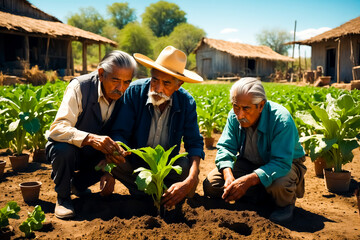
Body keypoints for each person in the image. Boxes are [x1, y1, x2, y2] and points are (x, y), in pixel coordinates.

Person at [110, 46, 205, 209]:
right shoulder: (135, 92)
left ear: (178, 84)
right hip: (136, 166)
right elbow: (119, 132)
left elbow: (194, 144)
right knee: (114, 160)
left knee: (187, 167)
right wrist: (118, 149)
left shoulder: (186, 103)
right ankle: (151, 194)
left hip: (165, 168)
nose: (157, 89)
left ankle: (157, 193)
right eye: (154, 80)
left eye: (166, 83)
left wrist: (191, 180)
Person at [46, 50, 137, 219]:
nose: (120, 88)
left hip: (93, 155)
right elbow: (57, 128)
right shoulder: (80, 87)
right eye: (115, 80)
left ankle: (78, 186)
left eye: (126, 82)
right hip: (70, 150)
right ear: (101, 74)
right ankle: (63, 198)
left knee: (114, 154)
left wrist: (109, 172)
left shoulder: (124, 97)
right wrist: (90, 138)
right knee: (63, 149)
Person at [203, 77, 307, 223]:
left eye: (246, 108)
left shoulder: (281, 120)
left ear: (261, 105)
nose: (240, 115)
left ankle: (285, 205)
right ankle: (262, 194)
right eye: (236, 107)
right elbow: (225, 148)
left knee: (279, 184)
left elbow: (281, 163)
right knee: (212, 184)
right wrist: (228, 176)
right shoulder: (234, 116)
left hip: (284, 167)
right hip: (248, 163)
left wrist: (248, 181)